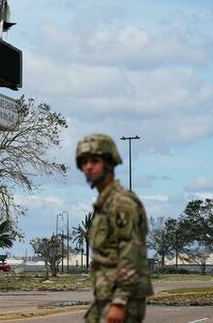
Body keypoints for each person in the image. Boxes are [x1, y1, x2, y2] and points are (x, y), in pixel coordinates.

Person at [75, 134, 153, 323]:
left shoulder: (121, 203)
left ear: (109, 164)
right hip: (106, 295)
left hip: (122, 299)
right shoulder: (105, 204)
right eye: (84, 162)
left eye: (95, 161)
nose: (88, 167)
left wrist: (119, 302)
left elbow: (130, 253)